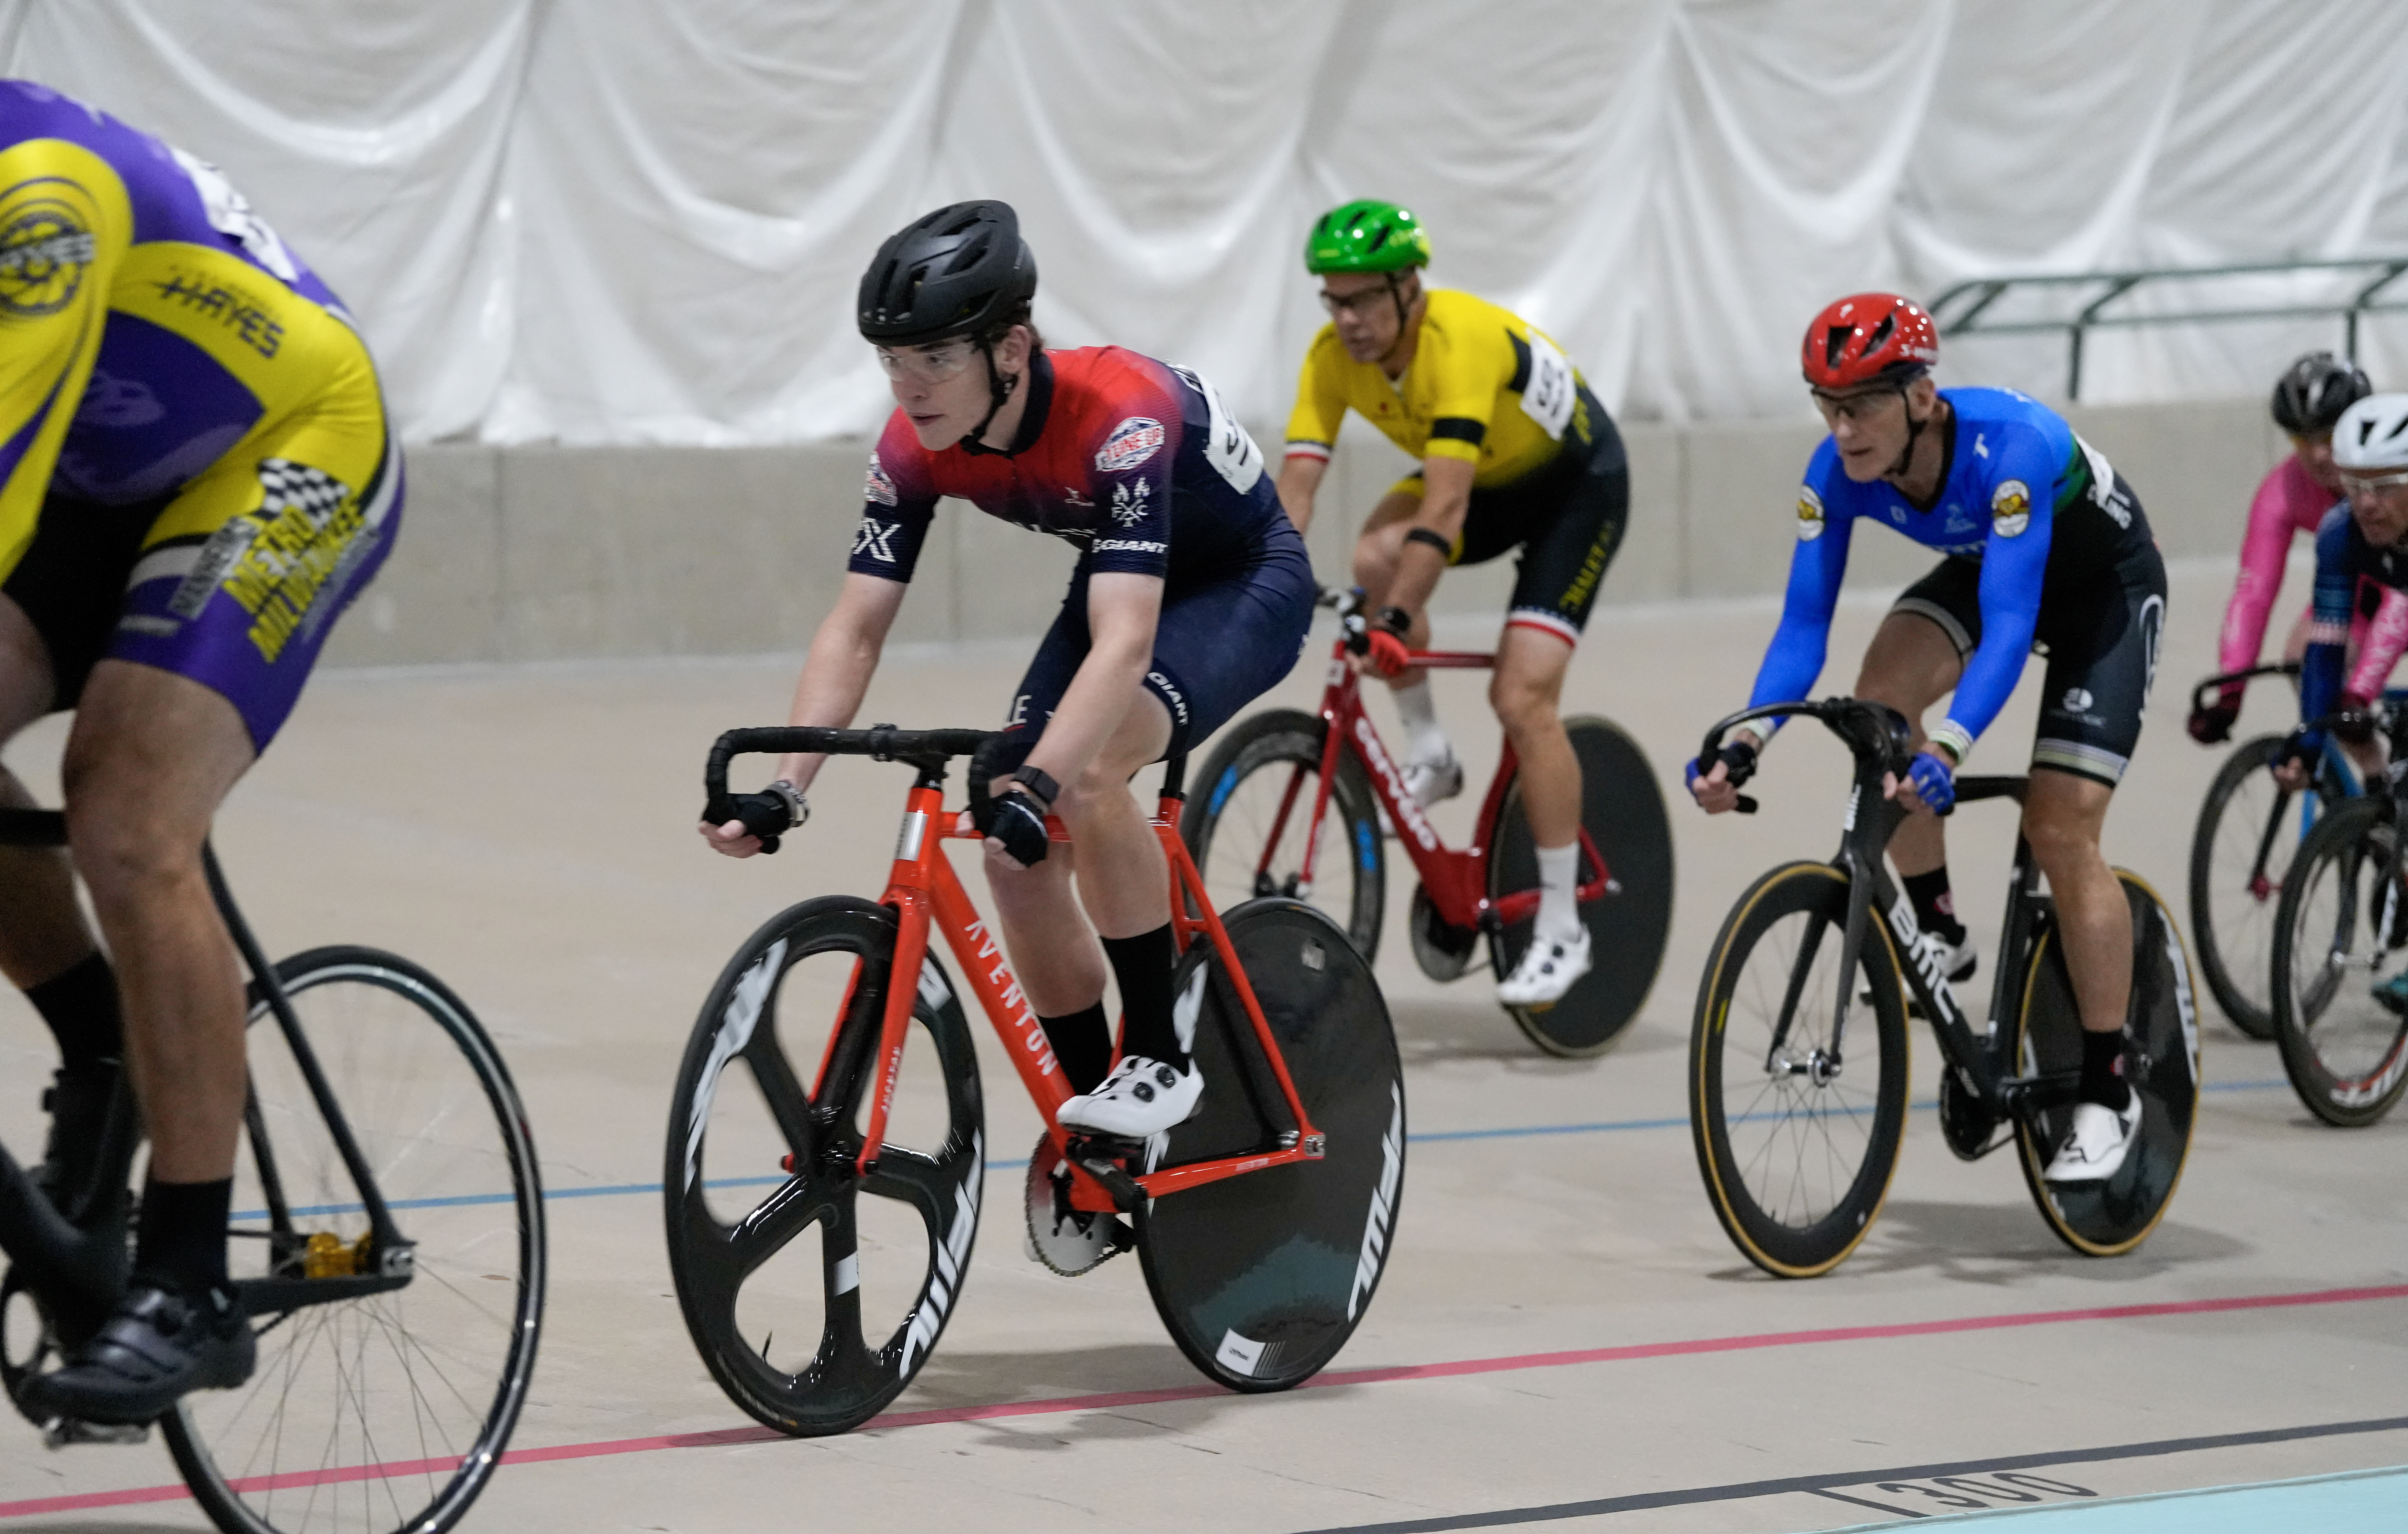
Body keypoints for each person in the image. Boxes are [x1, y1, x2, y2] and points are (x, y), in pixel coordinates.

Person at [703, 200, 1314, 1143]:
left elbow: (1124, 647)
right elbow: (856, 627)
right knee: (1009, 846)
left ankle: (1160, 1055)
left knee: (1089, 770)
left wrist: (1043, 778)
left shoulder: (1122, 413)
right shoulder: (912, 446)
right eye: (892, 360)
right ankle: (1098, 1131)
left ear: (1012, 349)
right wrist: (790, 787)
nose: (910, 386)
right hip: (1122, 572)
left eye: (936, 357)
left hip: (1242, 582)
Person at [0, 81, 403, 1422]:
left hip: (289, 448)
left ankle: (187, 1277)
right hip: (103, 478)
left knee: (126, 812)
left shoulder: (38, 196)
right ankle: (102, 1044)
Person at [1687, 293, 2167, 1185]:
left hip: (2100, 592)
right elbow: (1803, 627)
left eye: (1863, 406)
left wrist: (1948, 747)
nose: (1843, 430)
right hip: (1993, 568)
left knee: (2060, 829)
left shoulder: (2010, 450)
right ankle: (1940, 925)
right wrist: (1745, 742)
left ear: (1920, 397)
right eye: (1828, 406)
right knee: (1880, 711)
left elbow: (2013, 623)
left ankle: (2109, 1088)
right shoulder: (1834, 474)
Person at [1275, 200, 1630, 1006]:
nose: (1348, 319)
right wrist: (1259, 582)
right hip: (1483, 483)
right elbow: (1294, 491)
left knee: (1521, 697)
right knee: (1375, 556)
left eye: (1365, 298)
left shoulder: (1458, 343)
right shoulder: (1330, 358)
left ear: (1411, 287)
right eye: (1334, 300)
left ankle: (1562, 926)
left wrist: (1396, 623)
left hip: (1576, 492)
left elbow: (1444, 508)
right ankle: (1432, 749)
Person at [2273, 392, 2408, 1012]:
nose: (2366, 504)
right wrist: (2309, 740)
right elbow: (2325, 648)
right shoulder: (2339, 532)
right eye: (2354, 486)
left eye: (2383, 487)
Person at [2192, 352, 2373, 745]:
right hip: (2361, 594)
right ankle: (2373, 777)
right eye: (2302, 440)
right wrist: (2231, 692)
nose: (2318, 455)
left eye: (2329, 437)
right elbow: (2253, 593)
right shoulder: (2283, 490)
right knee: (2303, 658)